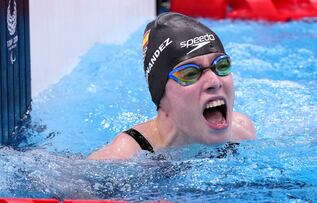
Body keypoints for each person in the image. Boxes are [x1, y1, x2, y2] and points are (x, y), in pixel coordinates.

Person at [88, 12, 256, 160]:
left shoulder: (241, 131)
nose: (214, 82)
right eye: (190, 73)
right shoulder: (125, 156)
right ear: (161, 98)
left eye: (221, 66)